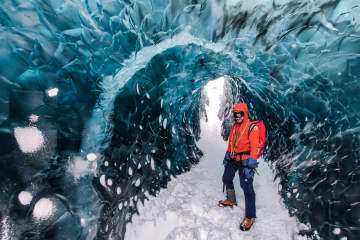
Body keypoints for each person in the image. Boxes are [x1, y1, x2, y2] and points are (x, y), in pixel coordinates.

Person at [218, 103, 259, 231]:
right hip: (234, 158)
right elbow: (231, 143)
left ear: (245, 113)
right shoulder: (235, 127)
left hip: (246, 161)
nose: (237, 117)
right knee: (226, 178)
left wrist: (250, 165)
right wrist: (227, 156)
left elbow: (254, 148)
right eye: (235, 114)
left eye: (240, 114)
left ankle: (250, 216)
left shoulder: (252, 128)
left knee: (247, 187)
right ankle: (231, 200)